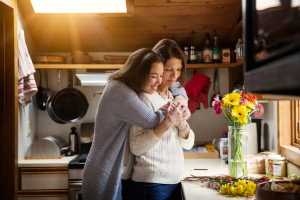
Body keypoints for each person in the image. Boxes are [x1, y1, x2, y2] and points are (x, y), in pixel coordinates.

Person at [82, 48, 186, 200]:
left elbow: (174, 85)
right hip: (104, 171)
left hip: (112, 169)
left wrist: (179, 96)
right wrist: (172, 109)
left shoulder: (122, 86)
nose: (159, 81)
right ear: (139, 74)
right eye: (153, 76)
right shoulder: (121, 92)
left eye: (161, 76)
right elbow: (151, 120)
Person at [127, 42, 194, 200]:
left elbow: (188, 143)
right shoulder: (143, 99)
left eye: (178, 70)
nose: (174, 76)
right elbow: (136, 147)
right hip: (151, 185)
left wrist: (182, 124)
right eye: (169, 69)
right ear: (157, 67)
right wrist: (166, 124)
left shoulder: (172, 96)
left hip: (174, 181)